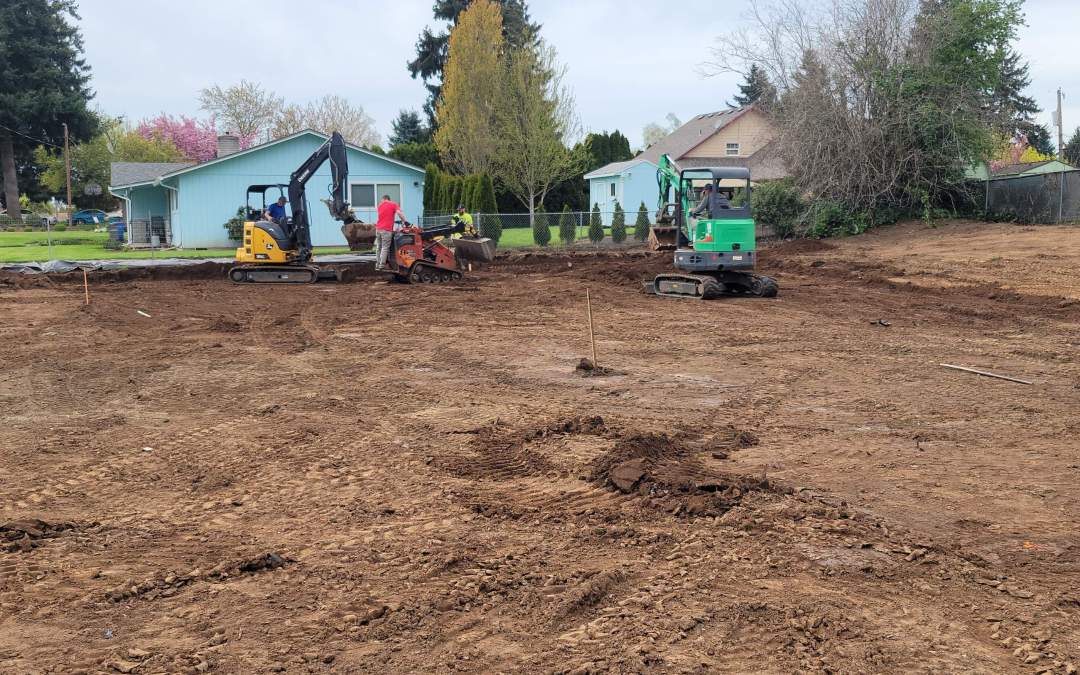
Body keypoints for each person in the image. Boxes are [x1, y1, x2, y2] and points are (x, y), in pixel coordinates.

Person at [375, 194, 406, 272]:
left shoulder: (379, 206)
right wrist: (404, 220)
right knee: (385, 247)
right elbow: (399, 213)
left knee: (379, 247)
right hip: (386, 229)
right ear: (389, 199)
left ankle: (378, 264)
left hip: (378, 229)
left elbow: (384, 216)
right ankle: (382, 265)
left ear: (384, 199)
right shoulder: (393, 204)